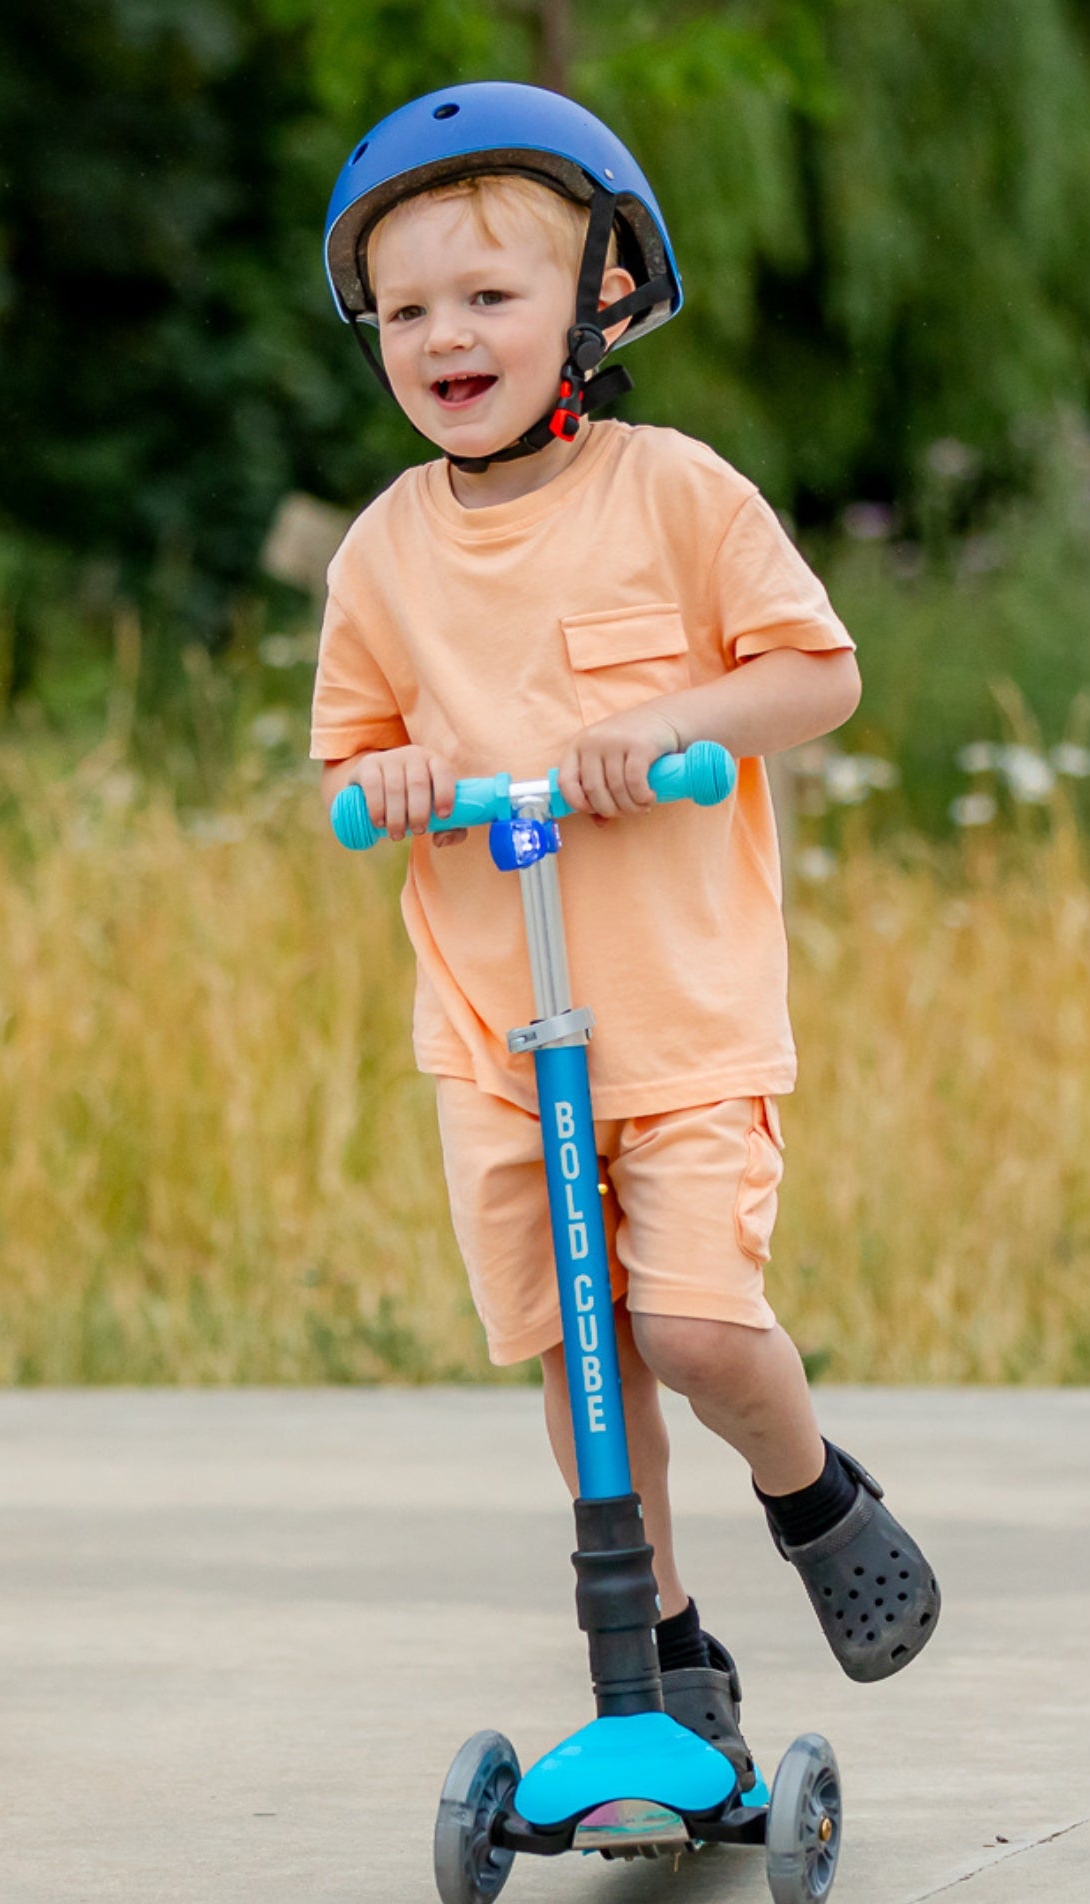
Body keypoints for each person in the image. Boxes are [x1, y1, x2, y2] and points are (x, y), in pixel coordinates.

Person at [311, 85, 938, 1775]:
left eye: (490, 296)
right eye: (410, 307)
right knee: (577, 1354)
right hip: (496, 1032)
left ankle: (811, 1496)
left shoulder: (674, 494)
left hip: (675, 1012)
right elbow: (345, 777)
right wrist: (401, 781)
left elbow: (819, 673)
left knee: (690, 1327)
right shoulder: (381, 553)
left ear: (600, 296)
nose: (447, 335)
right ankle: (654, 1649)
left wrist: (673, 722)